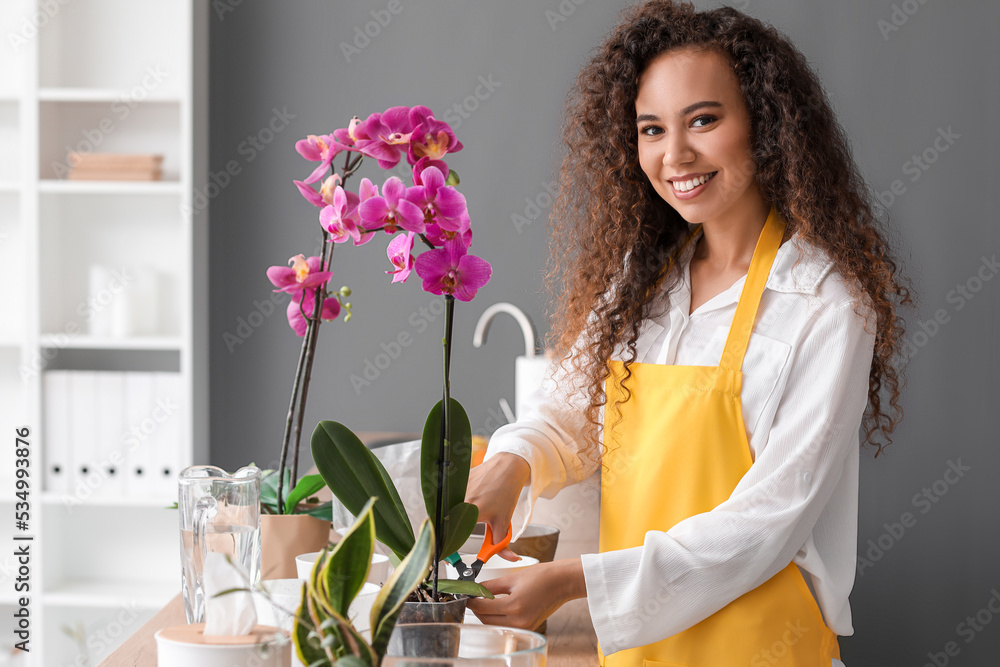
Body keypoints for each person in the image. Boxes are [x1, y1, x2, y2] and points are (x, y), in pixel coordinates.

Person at [463, 1, 913, 665]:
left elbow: (765, 523)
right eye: (651, 128)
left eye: (704, 119)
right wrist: (510, 464)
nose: (675, 154)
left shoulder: (826, 304)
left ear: (763, 123)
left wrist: (570, 580)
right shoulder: (639, 285)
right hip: (643, 651)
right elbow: (568, 413)